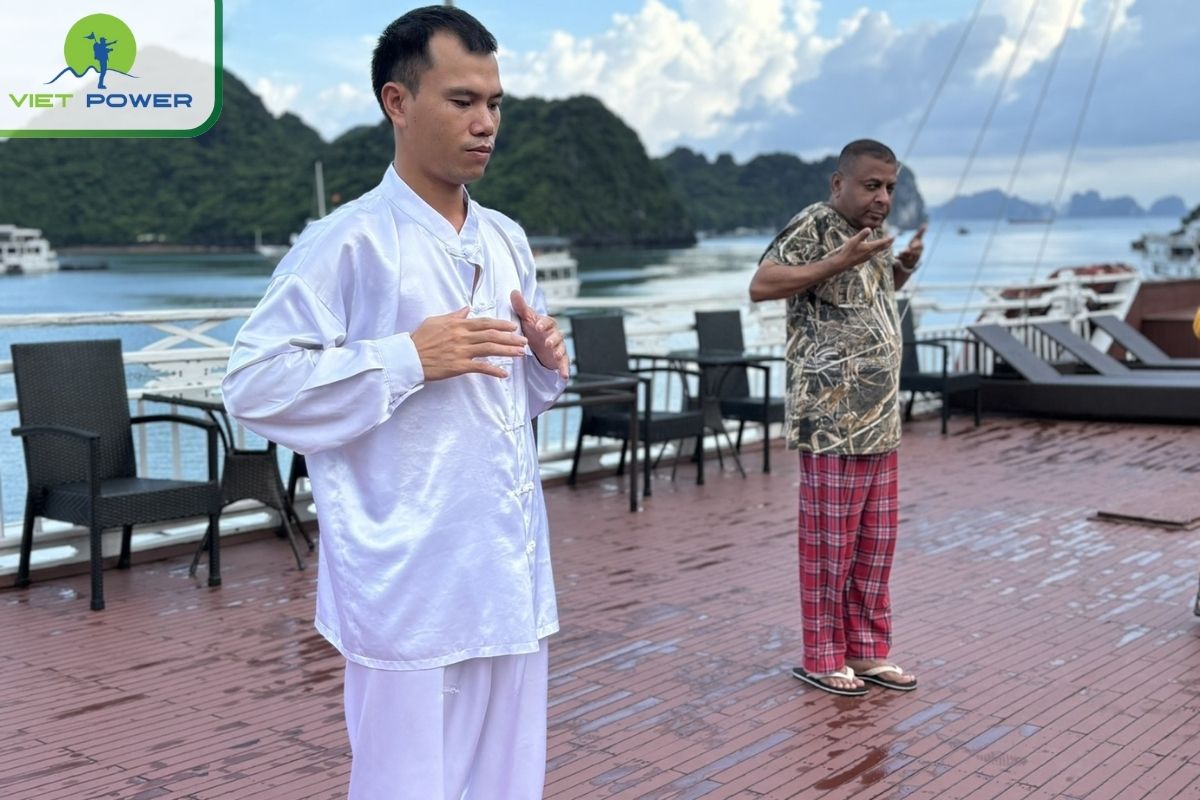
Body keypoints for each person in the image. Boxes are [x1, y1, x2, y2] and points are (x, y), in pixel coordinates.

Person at [221, 7, 569, 798]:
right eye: (462, 101)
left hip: (504, 564)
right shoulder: (347, 242)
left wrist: (545, 370)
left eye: (495, 103)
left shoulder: (505, 239)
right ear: (397, 102)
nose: (486, 123)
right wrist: (407, 356)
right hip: (407, 576)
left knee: (508, 781)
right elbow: (253, 383)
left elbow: (504, 405)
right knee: (403, 783)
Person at [748, 139, 924, 697]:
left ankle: (868, 652)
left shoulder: (868, 240)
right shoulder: (817, 226)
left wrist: (899, 271)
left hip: (878, 421)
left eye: (890, 188)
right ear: (838, 184)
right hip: (832, 421)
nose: (882, 197)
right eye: (871, 185)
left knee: (875, 548)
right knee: (831, 548)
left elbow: (857, 299)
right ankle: (823, 657)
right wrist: (838, 258)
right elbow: (762, 284)